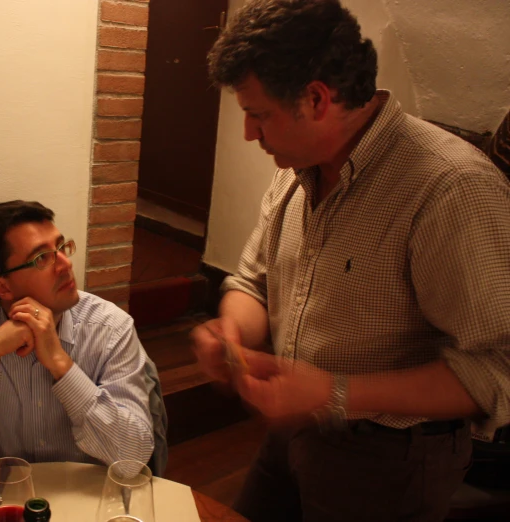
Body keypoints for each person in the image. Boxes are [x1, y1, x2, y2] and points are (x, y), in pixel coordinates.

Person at [191, 1, 510, 521]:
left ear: (317, 99)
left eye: (258, 113)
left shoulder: (452, 189)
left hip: (390, 459)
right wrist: (231, 333)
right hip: (293, 432)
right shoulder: (297, 169)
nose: (250, 133)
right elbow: (252, 279)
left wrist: (334, 393)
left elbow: (497, 368)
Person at [0, 200, 156, 483]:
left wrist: (61, 364)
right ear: (2, 286)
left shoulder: (110, 328)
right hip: (4, 497)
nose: (65, 264)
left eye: (61, 248)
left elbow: (132, 460)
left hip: (89, 494)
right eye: (41, 258)